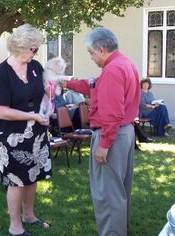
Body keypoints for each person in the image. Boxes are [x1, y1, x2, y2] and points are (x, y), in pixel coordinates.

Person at [61, 27, 140, 235]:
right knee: (119, 188)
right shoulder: (124, 64)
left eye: (91, 53)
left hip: (112, 134)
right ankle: (120, 230)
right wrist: (66, 82)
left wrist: (104, 145)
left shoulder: (113, 70)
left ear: (102, 49)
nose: (92, 58)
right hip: (125, 133)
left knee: (107, 192)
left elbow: (112, 113)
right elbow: (93, 85)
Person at [0, 24, 51, 236]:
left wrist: (49, 97)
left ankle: (29, 215)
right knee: (16, 181)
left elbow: (46, 91)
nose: (36, 52)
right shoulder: (2, 73)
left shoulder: (35, 66)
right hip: (11, 136)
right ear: (20, 47)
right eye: (33, 49)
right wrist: (32, 116)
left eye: (36, 49)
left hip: (36, 132)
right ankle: (15, 225)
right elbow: (0, 111)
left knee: (32, 175)